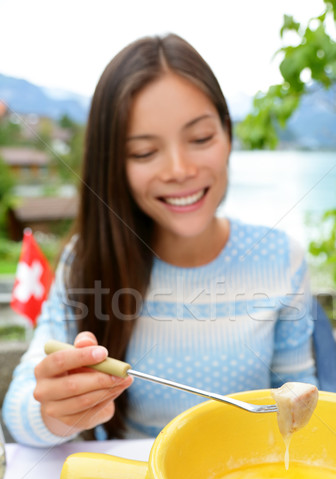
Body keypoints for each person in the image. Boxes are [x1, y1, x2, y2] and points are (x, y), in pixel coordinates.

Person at [3, 33, 318, 447]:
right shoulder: (85, 262)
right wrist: (54, 413)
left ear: (226, 134)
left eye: (201, 138)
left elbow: (306, 402)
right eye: (144, 152)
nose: (179, 169)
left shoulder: (282, 259)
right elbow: (18, 410)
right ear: (113, 164)